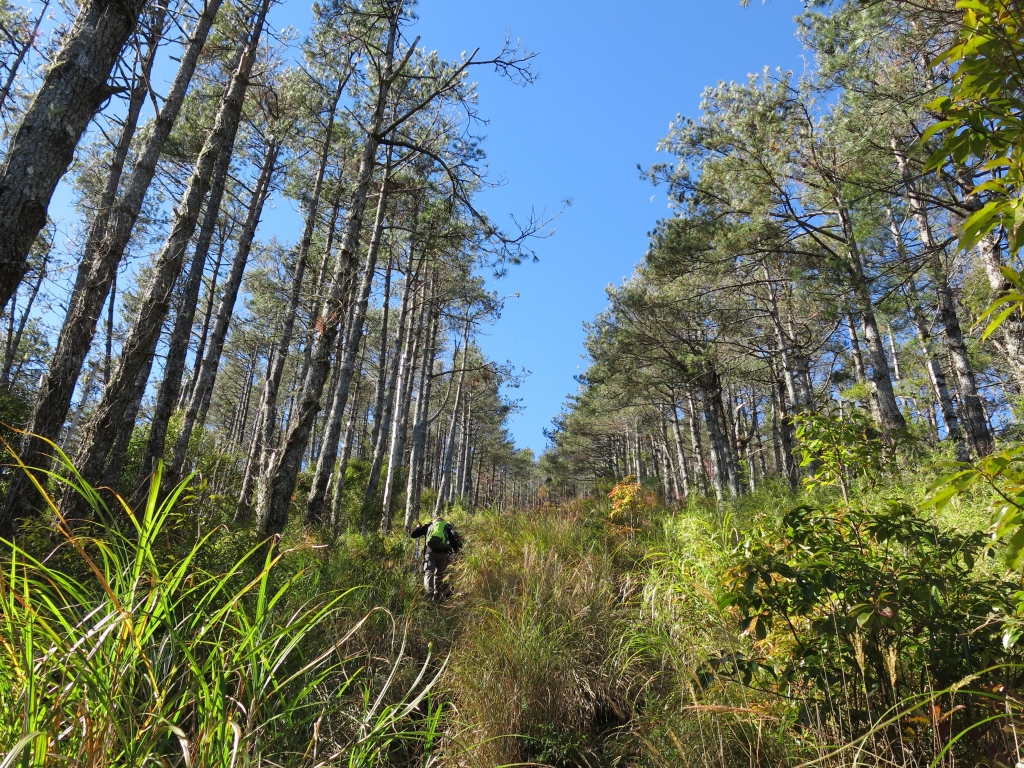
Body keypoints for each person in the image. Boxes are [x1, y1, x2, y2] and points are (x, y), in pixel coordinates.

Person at [411, 514, 463, 600]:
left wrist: (417, 528)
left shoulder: (429, 526)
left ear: (434, 521)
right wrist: (456, 550)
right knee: (439, 575)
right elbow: (453, 542)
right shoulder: (446, 528)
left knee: (429, 573)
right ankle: (437, 597)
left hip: (430, 553)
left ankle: (428, 597)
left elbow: (413, 535)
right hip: (443, 555)